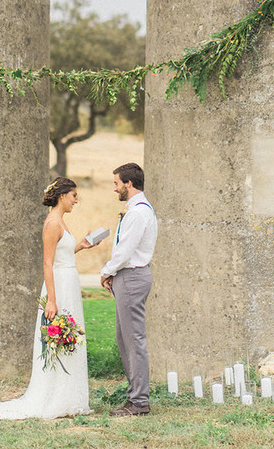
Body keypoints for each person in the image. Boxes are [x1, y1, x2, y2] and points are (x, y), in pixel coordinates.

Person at [0, 176, 95, 419]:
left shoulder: (61, 222)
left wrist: (81, 246)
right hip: (59, 287)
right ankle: (55, 396)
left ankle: (68, 396)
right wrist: (51, 301)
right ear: (63, 196)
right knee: (60, 337)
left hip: (68, 283)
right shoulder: (52, 223)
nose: (76, 201)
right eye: (74, 196)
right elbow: (47, 263)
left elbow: (62, 254)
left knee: (70, 340)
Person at [100, 163, 157, 417]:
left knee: (133, 340)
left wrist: (107, 270)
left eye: (116, 183)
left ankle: (139, 401)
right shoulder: (136, 210)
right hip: (129, 276)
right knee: (125, 339)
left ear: (128, 184)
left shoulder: (138, 213)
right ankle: (135, 396)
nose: (115, 189)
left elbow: (125, 251)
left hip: (132, 277)